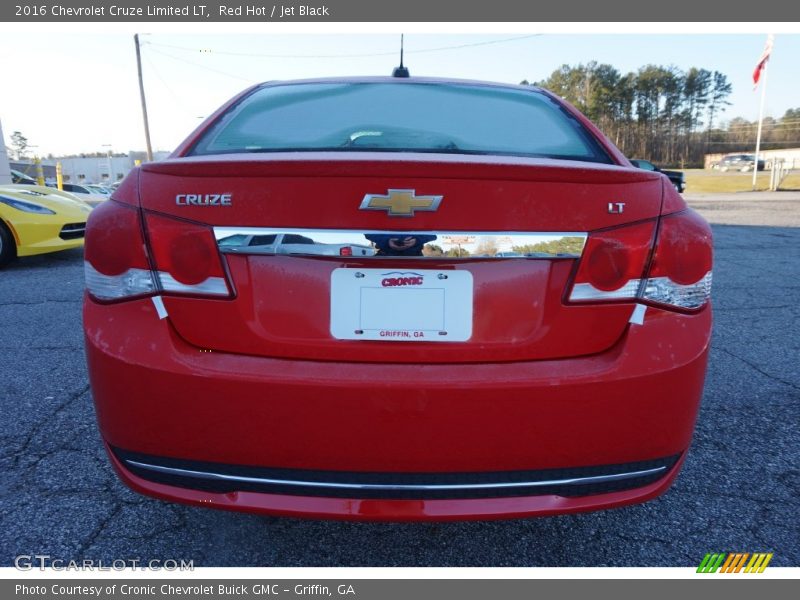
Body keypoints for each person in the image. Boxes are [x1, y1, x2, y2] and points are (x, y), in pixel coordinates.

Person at [365, 234, 437, 256]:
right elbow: (367, 231)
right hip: (384, 257)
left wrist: (417, 240)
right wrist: (386, 241)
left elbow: (433, 233)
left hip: (415, 258)